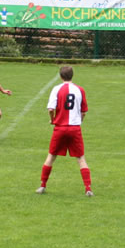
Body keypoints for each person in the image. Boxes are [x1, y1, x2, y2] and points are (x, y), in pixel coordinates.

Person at [36, 66, 93, 197]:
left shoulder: (56, 89)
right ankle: (88, 188)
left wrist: (52, 120)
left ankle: (42, 186)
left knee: (51, 156)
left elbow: (50, 109)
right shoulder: (80, 90)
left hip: (60, 128)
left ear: (61, 76)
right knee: (80, 158)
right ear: (72, 76)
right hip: (74, 128)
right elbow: (84, 111)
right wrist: (80, 121)